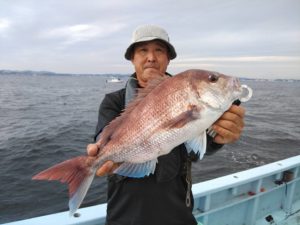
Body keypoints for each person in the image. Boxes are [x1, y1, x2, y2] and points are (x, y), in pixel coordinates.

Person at [87, 25, 245, 225]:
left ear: (168, 58)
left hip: (177, 214)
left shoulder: (192, 100)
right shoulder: (113, 102)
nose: (151, 57)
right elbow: (102, 137)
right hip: (124, 216)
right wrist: (100, 152)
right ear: (132, 58)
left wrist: (221, 135)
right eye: (143, 50)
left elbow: (199, 149)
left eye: (159, 50)